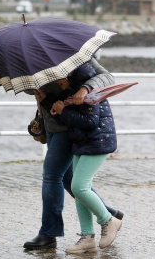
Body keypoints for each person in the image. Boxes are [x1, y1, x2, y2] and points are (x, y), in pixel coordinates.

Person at [23, 58, 123, 250]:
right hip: (52, 122)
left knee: (52, 176)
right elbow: (28, 87)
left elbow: (106, 77)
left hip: (70, 126)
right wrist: (36, 91)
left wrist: (84, 88)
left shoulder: (75, 55)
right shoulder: (33, 56)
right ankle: (101, 221)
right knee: (71, 179)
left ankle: (49, 233)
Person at [51, 62, 122, 253]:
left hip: (98, 143)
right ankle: (87, 238)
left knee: (78, 187)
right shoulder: (73, 93)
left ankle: (108, 220)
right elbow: (71, 117)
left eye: (59, 80)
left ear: (70, 76)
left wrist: (64, 111)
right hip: (82, 144)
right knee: (80, 191)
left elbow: (90, 122)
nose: (58, 83)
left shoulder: (89, 94)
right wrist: (55, 107)